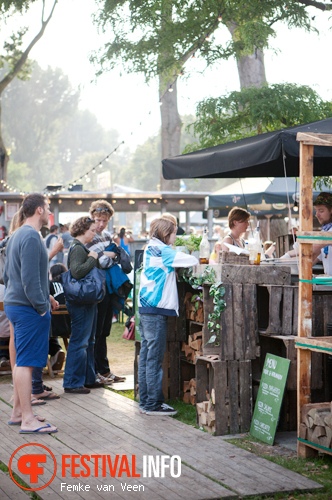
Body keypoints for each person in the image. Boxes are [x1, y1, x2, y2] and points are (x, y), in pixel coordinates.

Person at [4, 193, 58, 433]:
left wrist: (44, 296)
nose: (48, 213)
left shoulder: (16, 235)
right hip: (27, 308)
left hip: (16, 304)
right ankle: (27, 419)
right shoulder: (31, 236)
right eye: (47, 208)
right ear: (38, 210)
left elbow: (11, 275)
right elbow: (27, 278)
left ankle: (18, 412)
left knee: (21, 362)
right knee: (25, 363)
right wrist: (41, 307)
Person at [138, 216, 198, 416]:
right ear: (166, 233)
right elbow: (192, 259)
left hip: (147, 307)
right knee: (153, 359)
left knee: (147, 357)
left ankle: (145, 400)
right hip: (155, 309)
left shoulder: (151, 247)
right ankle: (153, 404)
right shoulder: (163, 250)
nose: (175, 236)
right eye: (174, 233)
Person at [87, 200, 126, 384]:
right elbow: (99, 261)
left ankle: (105, 369)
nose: (100, 224)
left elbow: (113, 258)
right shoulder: (88, 235)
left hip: (107, 287)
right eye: (97, 219)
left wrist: (110, 256)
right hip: (95, 287)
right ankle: (96, 370)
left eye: (104, 220)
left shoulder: (108, 236)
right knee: (96, 332)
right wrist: (108, 255)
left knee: (104, 331)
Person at [63, 216, 103, 394]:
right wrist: (93, 258)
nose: (94, 233)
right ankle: (72, 382)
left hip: (84, 301)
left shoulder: (78, 247)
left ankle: (87, 378)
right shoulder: (78, 248)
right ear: (82, 230)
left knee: (88, 340)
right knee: (80, 341)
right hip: (81, 302)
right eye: (92, 230)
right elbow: (77, 272)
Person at [281, 192, 332, 275]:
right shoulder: (324, 231)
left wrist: (288, 254)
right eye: (316, 210)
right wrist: (282, 263)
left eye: (321, 211)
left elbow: (315, 247)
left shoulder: (327, 234)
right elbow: (311, 259)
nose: (317, 215)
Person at [49, 263, 69, 371]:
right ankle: (57, 351)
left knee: (46, 330)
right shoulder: (70, 283)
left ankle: (56, 351)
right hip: (71, 326)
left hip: (54, 328)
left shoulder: (50, 285)